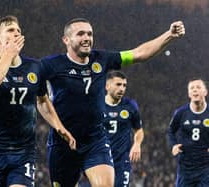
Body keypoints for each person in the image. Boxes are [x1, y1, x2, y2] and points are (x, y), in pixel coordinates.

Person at [41, 17, 185, 187]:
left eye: (90, 33)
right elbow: (39, 98)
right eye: (80, 34)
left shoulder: (101, 59)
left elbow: (139, 53)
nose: (87, 37)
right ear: (66, 40)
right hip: (63, 143)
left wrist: (169, 35)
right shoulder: (50, 65)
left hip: (95, 140)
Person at [0, 15, 75, 187]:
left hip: (24, 152)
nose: (16, 34)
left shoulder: (34, 67)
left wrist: (59, 126)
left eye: (18, 31)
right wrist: (8, 55)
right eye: (10, 30)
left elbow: (42, 100)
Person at [104, 70, 144, 187]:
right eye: (118, 84)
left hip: (122, 160)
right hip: (101, 159)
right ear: (107, 86)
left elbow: (139, 130)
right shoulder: (97, 104)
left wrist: (137, 144)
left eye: (124, 85)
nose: (122, 88)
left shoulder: (130, 105)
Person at [168, 79, 209, 187]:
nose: (195, 90)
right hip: (186, 167)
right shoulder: (181, 113)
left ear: (205, 92)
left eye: (198, 87)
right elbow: (171, 130)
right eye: (192, 88)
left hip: (206, 166)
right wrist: (173, 145)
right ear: (189, 94)